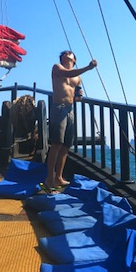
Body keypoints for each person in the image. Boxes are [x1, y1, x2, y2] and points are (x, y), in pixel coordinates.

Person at [45, 50, 97, 191]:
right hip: (58, 108)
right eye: (65, 53)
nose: (67, 53)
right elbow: (67, 74)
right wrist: (88, 68)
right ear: (62, 58)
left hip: (70, 110)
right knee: (56, 143)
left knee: (66, 145)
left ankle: (59, 177)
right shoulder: (57, 67)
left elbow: (78, 93)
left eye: (70, 53)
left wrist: (78, 95)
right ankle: (50, 177)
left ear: (74, 60)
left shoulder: (78, 77)